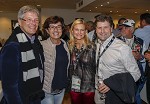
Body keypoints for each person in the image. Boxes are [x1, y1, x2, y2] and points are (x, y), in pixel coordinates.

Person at [0, 5, 45, 104]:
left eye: (36, 20)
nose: (33, 23)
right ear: (19, 21)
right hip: (21, 99)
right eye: (29, 19)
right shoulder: (12, 46)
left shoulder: (35, 42)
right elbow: (9, 86)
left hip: (34, 95)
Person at [94, 14, 141, 104]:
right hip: (98, 94)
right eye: (99, 28)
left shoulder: (122, 48)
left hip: (116, 96)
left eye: (106, 27)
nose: (102, 31)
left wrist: (111, 84)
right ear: (95, 29)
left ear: (111, 28)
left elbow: (136, 74)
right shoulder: (96, 45)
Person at [41, 16, 70, 104]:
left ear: (62, 29)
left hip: (61, 90)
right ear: (47, 30)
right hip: (47, 91)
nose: (56, 29)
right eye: (52, 27)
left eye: (58, 26)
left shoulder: (66, 45)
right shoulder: (41, 45)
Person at [68, 19, 96, 104]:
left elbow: (98, 66)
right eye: (76, 29)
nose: (79, 32)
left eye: (82, 30)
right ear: (72, 31)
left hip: (88, 87)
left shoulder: (92, 47)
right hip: (74, 85)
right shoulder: (69, 46)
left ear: (85, 32)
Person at [119, 19, 147, 104]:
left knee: (135, 96)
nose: (122, 29)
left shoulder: (140, 42)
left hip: (135, 75)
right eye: (122, 27)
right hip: (121, 74)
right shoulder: (117, 41)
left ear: (131, 30)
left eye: (125, 28)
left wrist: (140, 57)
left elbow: (144, 57)